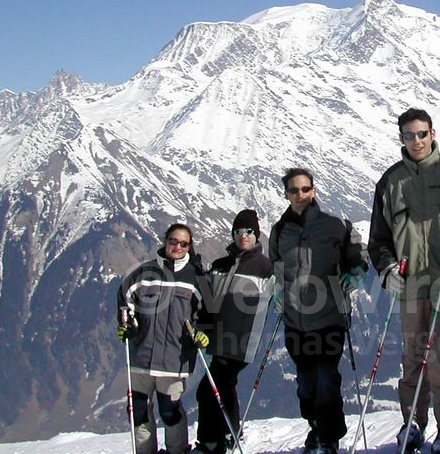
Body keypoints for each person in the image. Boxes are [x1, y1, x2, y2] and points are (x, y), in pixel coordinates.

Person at [368, 107, 440, 454]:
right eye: (409, 135)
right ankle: (413, 424)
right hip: (410, 284)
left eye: (422, 134)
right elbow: (379, 239)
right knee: (412, 356)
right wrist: (387, 269)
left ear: (433, 134)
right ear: (401, 139)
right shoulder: (390, 182)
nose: (417, 141)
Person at [269, 168, 368, 454]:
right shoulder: (279, 230)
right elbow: (276, 264)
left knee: (326, 378)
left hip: (330, 316)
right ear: (286, 194)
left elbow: (356, 255)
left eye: (305, 189)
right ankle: (315, 426)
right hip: (295, 320)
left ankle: (329, 438)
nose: (300, 195)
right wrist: (277, 289)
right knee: (305, 382)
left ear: (314, 190)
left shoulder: (335, 224)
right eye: (294, 190)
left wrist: (356, 271)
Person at [117, 223, 210, 454]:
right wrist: (127, 325)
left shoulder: (197, 278)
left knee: (170, 411)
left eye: (183, 243)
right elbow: (124, 303)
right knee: (139, 410)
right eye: (173, 241)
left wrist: (201, 333)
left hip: (174, 360)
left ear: (189, 247)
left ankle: (177, 451)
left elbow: (208, 313)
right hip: (142, 357)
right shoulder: (142, 272)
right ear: (165, 241)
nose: (177, 246)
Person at [191, 210, 274, 454]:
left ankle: (210, 443)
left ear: (256, 235)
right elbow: (208, 300)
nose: (243, 236)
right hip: (219, 339)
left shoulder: (265, 267)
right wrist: (199, 275)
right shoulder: (220, 266)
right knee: (224, 387)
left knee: (208, 390)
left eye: (248, 231)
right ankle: (229, 432)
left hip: (242, 340)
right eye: (238, 232)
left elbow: (285, 291)